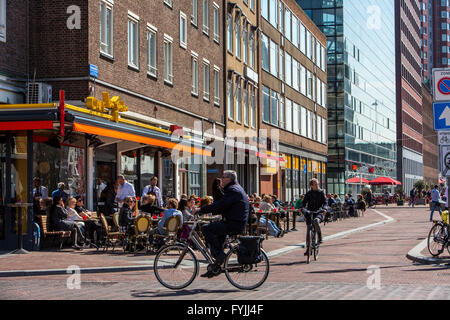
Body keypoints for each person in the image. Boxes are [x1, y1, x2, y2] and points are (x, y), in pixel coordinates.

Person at [192, 171, 249, 278]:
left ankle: (220, 256)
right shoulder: (235, 188)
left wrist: (201, 210)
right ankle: (215, 268)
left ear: (229, 179)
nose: (221, 179)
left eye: (223, 177)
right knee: (217, 238)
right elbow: (224, 206)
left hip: (234, 223)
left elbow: (220, 205)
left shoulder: (233, 190)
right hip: (235, 221)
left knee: (206, 229)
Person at [301, 179, 327, 256]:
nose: (317, 185)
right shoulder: (308, 193)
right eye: (315, 184)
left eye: (317, 184)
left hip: (319, 212)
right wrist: (301, 208)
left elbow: (325, 202)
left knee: (316, 221)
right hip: (310, 212)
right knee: (308, 229)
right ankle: (308, 249)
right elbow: (304, 202)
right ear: (311, 186)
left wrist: (325, 208)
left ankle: (319, 237)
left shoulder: (321, 192)